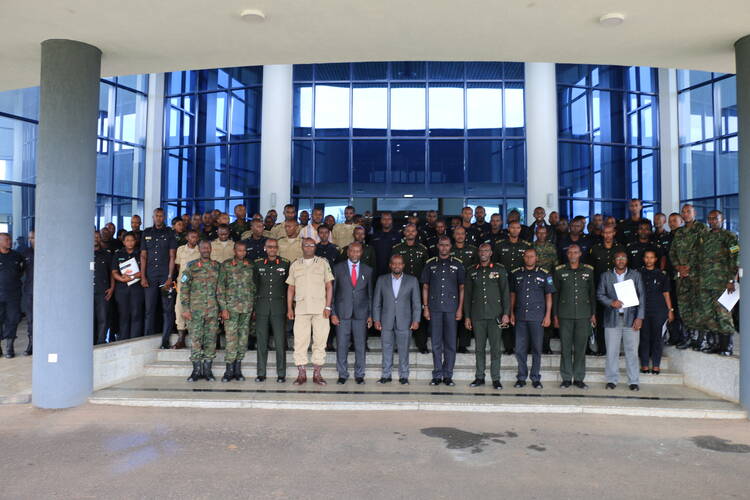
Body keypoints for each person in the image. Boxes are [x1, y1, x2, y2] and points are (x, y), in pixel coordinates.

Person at [286, 237, 334, 385]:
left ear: (315, 247)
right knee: (300, 341)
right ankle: (301, 374)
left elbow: (329, 286)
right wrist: (289, 308)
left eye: (311, 245)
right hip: (301, 309)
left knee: (320, 341)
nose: (308, 247)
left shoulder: (323, 263)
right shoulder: (295, 265)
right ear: (302, 247)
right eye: (306, 245)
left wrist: (328, 306)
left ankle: (317, 374)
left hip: (320, 309)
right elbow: (291, 288)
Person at [596, 251, 645, 391]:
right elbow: (599, 294)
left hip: (631, 319)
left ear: (627, 260)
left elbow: (642, 296)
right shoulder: (606, 276)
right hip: (612, 319)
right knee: (612, 351)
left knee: (632, 352)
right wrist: (611, 302)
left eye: (623, 258)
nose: (621, 260)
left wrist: (640, 317)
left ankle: (633, 381)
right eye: (618, 258)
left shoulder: (635, 275)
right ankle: (611, 380)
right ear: (614, 260)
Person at [464, 243, 510, 389]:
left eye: (486, 250)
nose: (484, 253)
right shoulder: (472, 271)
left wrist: (506, 314)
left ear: (491, 253)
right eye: (481, 250)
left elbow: (505, 293)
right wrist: (467, 316)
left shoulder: (499, 269)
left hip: (496, 315)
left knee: (495, 349)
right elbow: (467, 296)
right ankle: (479, 377)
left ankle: (496, 378)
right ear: (478, 253)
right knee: (479, 348)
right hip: (477, 315)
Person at [420, 236, 465, 386]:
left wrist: (460, 309)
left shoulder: (457, 264)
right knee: (436, 343)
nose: (444, 248)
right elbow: (425, 287)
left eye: (447, 245)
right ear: (437, 246)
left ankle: (448, 375)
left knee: (451, 343)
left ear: (450, 247)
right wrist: (426, 307)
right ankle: (437, 374)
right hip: (435, 309)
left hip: (452, 309)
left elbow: (462, 288)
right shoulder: (430, 264)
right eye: (441, 245)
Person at [372, 254, 421, 385]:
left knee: (404, 349)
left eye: (399, 263)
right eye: (394, 263)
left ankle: (404, 375)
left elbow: (416, 302)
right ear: (390, 265)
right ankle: (386, 375)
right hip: (386, 320)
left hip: (405, 320)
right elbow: (377, 302)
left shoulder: (412, 280)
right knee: (386, 348)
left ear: (403, 265)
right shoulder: (382, 280)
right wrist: (376, 319)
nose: (396, 266)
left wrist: (416, 320)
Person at [553, 244, 596, 389]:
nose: (572, 255)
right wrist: (555, 315)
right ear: (567, 254)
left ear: (580, 254)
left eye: (575, 252)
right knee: (565, 348)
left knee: (580, 348)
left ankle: (578, 378)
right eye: (570, 252)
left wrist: (593, 313)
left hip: (584, 315)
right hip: (565, 314)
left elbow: (592, 294)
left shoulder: (588, 270)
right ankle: (566, 378)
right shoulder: (559, 271)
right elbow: (556, 295)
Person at [510, 248, 554, 389]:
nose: (529, 258)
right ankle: (521, 377)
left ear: (536, 258)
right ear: (524, 257)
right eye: (527, 256)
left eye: (532, 256)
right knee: (520, 349)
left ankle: (535, 378)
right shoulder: (516, 274)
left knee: (536, 348)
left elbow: (548, 296)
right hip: (520, 316)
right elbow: (512, 295)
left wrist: (548, 315)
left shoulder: (544, 274)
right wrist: (511, 313)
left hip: (537, 317)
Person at [331, 242, 373, 385]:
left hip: (361, 314)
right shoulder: (337, 268)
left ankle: (359, 374)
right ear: (348, 252)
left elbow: (370, 294)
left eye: (358, 251)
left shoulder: (368, 270)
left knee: (360, 346)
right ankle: (342, 374)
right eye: (352, 251)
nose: (355, 254)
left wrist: (370, 315)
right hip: (342, 313)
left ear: (361, 253)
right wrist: (333, 312)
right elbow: (332, 293)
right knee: (342, 345)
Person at [697, 210, 739, 356]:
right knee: (709, 314)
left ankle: (727, 346)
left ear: (722, 219)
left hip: (723, 283)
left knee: (723, 313)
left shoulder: (730, 237)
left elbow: (736, 258)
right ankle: (714, 344)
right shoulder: (705, 236)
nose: (712, 221)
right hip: (705, 282)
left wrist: (732, 280)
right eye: (710, 218)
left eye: (715, 218)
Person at [180, 240, 221, 382]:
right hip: (195, 311)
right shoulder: (191, 266)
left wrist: (221, 308)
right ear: (199, 249)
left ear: (211, 249)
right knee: (196, 339)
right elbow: (184, 288)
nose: (206, 250)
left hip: (212, 310)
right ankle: (196, 371)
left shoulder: (217, 266)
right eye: (203, 247)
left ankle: (208, 371)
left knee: (211, 340)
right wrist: (185, 309)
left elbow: (221, 289)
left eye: (208, 247)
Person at [671, 204, 708, 350]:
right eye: (683, 212)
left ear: (694, 213)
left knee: (698, 307)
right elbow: (672, 252)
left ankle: (701, 339)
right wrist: (678, 267)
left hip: (696, 275)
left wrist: (689, 266)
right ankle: (687, 337)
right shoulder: (679, 232)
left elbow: (704, 250)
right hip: (681, 276)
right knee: (684, 307)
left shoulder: (702, 229)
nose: (685, 214)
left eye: (688, 211)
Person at [217, 241, 255, 382]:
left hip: (246, 308)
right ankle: (229, 370)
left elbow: (254, 287)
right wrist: (223, 309)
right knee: (231, 338)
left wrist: (253, 307)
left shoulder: (250, 265)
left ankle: (238, 369)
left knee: (243, 338)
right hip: (231, 309)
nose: (242, 253)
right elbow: (220, 288)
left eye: (244, 250)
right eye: (239, 250)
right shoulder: (226, 265)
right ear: (234, 251)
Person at [253, 239, 289, 383]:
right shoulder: (258, 264)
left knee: (280, 342)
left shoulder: (285, 263)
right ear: (265, 248)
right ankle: (261, 373)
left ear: (277, 248)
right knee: (261, 341)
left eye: (274, 247)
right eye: (269, 247)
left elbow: (288, 287)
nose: (272, 249)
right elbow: (255, 285)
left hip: (278, 307)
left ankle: (281, 373)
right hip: (262, 307)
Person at [140, 208, 177, 347]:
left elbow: (172, 256)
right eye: (156, 216)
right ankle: (147, 341)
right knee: (149, 309)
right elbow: (143, 256)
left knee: (167, 309)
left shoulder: (169, 233)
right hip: (150, 276)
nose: (159, 218)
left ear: (164, 217)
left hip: (164, 276)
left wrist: (170, 277)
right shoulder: (146, 233)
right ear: (153, 217)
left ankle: (165, 341)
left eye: (161, 216)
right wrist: (143, 276)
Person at [391, 223, 430, 353]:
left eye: (413, 231)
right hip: (402, 287)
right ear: (404, 233)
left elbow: (427, 269)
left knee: (419, 314)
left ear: (416, 233)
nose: (410, 233)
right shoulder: (397, 248)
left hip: (419, 287)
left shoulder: (423, 249)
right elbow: (393, 268)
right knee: (401, 314)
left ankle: (422, 344)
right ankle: (399, 344)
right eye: (408, 231)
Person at [493, 220, 531, 354]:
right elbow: (494, 265)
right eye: (512, 227)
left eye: (517, 227)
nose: (515, 230)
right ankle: (508, 346)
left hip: (521, 284)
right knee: (504, 312)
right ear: (508, 229)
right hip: (503, 284)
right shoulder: (499, 245)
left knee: (519, 313)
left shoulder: (526, 245)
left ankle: (521, 344)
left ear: (520, 229)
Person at [587, 225, 625, 356]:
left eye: (610, 232)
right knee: (600, 320)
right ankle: (602, 348)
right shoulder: (595, 249)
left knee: (616, 320)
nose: (607, 235)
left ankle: (615, 349)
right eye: (605, 232)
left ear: (614, 233)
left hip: (616, 289)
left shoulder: (620, 248)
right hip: (600, 289)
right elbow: (590, 270)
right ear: (602, 234)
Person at [639, 249, 673, 374]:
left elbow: (666, 293)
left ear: (655, 259)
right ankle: (644, 364)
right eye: (646, 257)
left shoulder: (662, 275)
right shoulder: (638, 274)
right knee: (644, 337)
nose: (649, 260)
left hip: (659, 310)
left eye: (651, 257)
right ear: (643, 259)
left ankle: (656, 365)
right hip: (643, 310)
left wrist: (670, 310)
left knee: (657, 338)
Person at [111, 232, 145, 341]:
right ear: (123, 242)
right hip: (122, 289)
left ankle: (135, 340)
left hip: (137, 289)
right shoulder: (118, 254)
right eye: (127, 240)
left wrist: (132, 276)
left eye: (132, 240)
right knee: (123, 315)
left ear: (135, 241)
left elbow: (144, 271)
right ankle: (124, 340)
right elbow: (114, 272)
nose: (130, 243)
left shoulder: (140, 253)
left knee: (136, 314)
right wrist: (121, 279)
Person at [173, 230, 200, 348]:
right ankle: (181, 338)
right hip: (182, 284)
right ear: (187, 238)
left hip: (196, 286)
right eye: (192, 237)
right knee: (179, 309)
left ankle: (195, 339)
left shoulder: (200, 250)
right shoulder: (180, 249)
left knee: (194, 310)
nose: (194, 239)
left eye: (196, 237)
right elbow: (178, 266)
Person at [0, 233, 24, 358]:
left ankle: (9, 347)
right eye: (6, 240)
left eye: (9, 239)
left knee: (13, 319)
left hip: (13, 295)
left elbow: (21, 270)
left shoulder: (17, 256)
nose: (9, 242)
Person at [94, 232, 114, 345]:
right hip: (87, 292)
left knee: (103, 318)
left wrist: (112, 288)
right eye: (93, 236)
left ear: (100, 239)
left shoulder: (106, 254)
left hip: (103, 291)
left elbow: (112, 273)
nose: (95, 238)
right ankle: (90, 341)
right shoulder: (84, 253)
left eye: (97, 237)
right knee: (89, 318)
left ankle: (101, 341)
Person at [369, 211, 402, 276]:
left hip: (393, 269)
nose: (386, 221)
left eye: (389, 219)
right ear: (381, 221)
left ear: (392, 220)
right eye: (384, 219)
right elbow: (371, 253)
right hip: (378, 269)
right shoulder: (375, 236)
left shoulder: (398, 235)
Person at [20, 230, 34, 355]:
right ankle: (31, 344)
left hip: (46, 293)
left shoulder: (48, 252)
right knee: (31, 319)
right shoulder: (25, 254)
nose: (31, 240)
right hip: (30, 291)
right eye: (30, 238)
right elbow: (18, 271)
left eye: (33, 237)